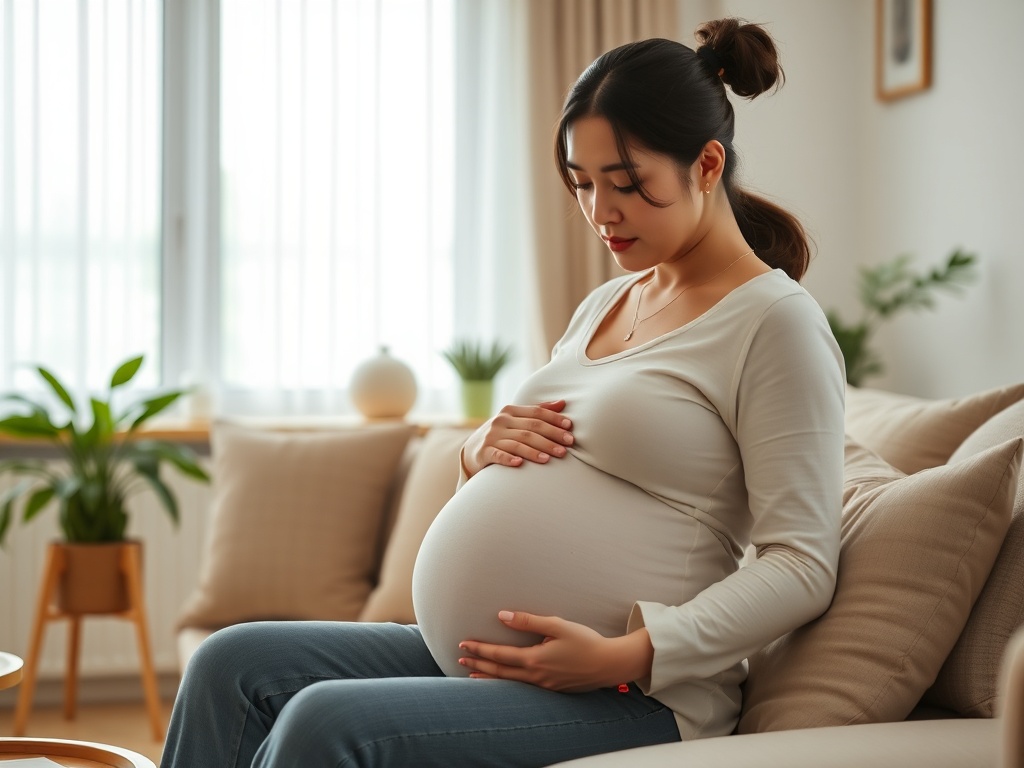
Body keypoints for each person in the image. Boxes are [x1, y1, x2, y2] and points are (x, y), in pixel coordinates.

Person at [161, 18, 844, 768]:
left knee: (325, 724)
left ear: (707, 165)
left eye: (626, 182)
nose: (599, 212)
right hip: (486, 657)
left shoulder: (774, 323)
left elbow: (801, 562)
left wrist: (630, 655)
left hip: (630, 697)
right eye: (581, 184)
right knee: (229, 665)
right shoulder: (606, 303)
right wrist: (475, 452)